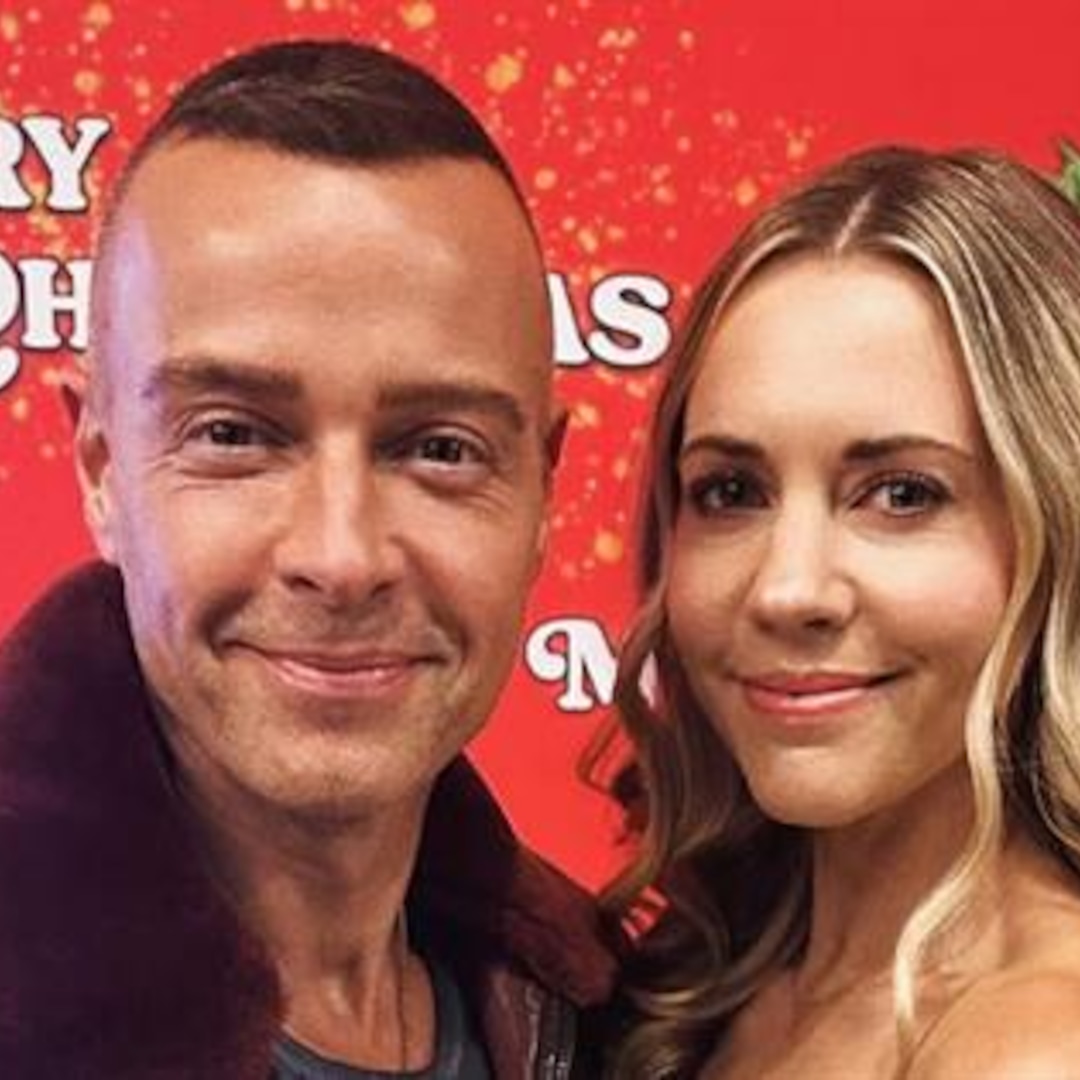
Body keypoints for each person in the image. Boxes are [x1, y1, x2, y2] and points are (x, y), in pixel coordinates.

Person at [0, 40, 614, 1079]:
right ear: (102, 471)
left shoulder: (596, 1005)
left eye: (439, 449)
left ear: (543, 489)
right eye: (235, 435)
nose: (342, 557)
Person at [591, 146, 1080, 1078]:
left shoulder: (1036, 1046)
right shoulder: (704, 984)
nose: (788, 588)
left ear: (1057, 526)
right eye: (731, 491)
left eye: (901, 494)